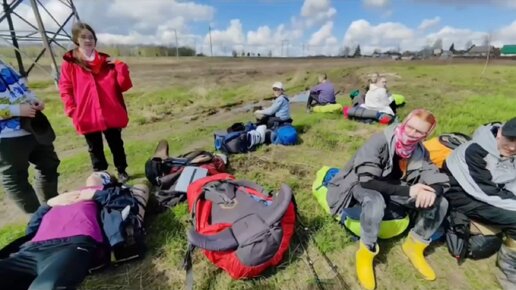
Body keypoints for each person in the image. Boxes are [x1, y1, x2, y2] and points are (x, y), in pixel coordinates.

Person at [326, 109, 449, 290]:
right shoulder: (379, 141)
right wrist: (409, 190)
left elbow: (433, 174)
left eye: (419, 132)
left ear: (427, 134)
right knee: (375, 201)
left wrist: (433, 190)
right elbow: (367, 180)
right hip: (361, 184)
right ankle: (366, 252)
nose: (411, 134)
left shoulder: (420, 150)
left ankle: (414, 246)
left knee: (441, 202)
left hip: (394, 187)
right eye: (410, 127)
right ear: (404, 122)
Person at [0, 172, 149, 290]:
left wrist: (96, 195)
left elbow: (127, 206)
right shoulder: (63, 197)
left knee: (46, 287)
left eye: (102, 175)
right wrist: (48, 204)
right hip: (30, 249)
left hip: (71, 245)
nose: (94, 174)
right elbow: (31, 229)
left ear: (107, 182)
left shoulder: (109, 193)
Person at [443, 118, 516, 287]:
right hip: (463, 194)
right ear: (499, 133)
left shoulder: (511, 154)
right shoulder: (475, 151)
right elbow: (484, 191)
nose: (512, 147)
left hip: (489, 193)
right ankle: (508, 271)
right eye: (510, 139)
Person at [59, 22, 133, 183]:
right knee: (94, 148)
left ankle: (122, 171)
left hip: (110, 110)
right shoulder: (70, 63)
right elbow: (65, 88)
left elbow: (123, 85)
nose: (88, 40)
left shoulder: (106, 61)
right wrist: (72, 110)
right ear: (76, 40)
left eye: (91, 37)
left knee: (116, 144)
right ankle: (101, 175)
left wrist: (120, 67)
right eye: (83, 37)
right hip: (86, 113)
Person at [0, 59, 60, 214]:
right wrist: (16, 110)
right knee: (15, 179)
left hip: (32, 127)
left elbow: (21, 88)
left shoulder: (3, 62)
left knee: (49, 165)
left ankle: (52, 209)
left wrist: (34, 100)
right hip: (6, 137)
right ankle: (37, 219)